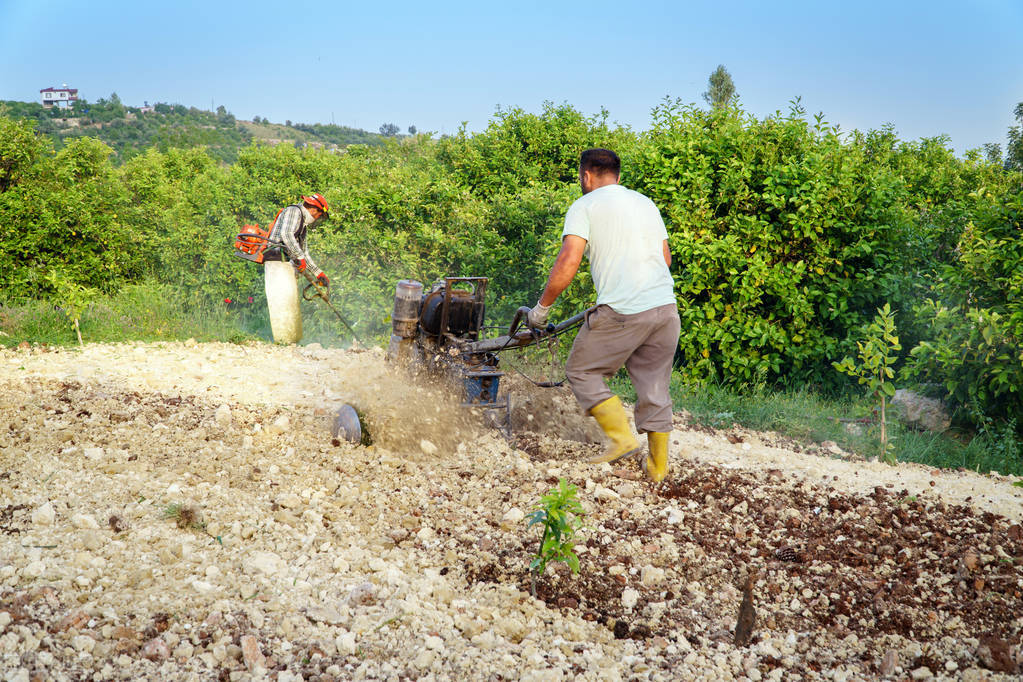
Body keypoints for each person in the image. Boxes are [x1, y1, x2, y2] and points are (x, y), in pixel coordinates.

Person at [527, 149, 680, 482]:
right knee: (654, 387)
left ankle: (622, 439)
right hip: (666, 309)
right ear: (618, 177)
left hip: (625, 309)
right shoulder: (645, 203)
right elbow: (664, 259)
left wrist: (542, 309)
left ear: (586, 176)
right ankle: (657, 470)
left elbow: (569, 261)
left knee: (581, 369)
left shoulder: (585, 206)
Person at [263, 194, 330, 344]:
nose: (318, 218)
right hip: (276, 260)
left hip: (285, 263)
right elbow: (286, 234)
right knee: (282, 301)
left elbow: (303, 252)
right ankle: (283, 340)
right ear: (314, 210)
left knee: (290, 301)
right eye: (320, 215)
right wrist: (299, 257)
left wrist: (318, 273)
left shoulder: (302, 225)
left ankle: (291, 341)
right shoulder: (294, 211)